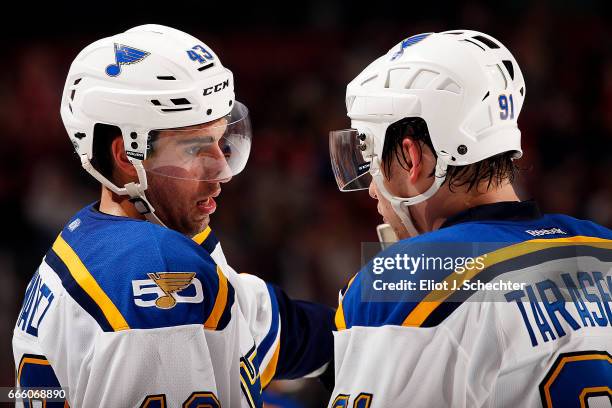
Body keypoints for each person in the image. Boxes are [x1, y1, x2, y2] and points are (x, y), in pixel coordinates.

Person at [13, 24, 334, 407]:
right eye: (196, 149)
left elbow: (288, 331)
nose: (222, 171)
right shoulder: (153, 272)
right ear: (126, 157)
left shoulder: (105, 245)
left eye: (220, 141)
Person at [328, 30, 612, 407]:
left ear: (412, 158)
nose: (372, 188)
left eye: (370, 156)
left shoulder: (401, 280)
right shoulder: (603, 246)